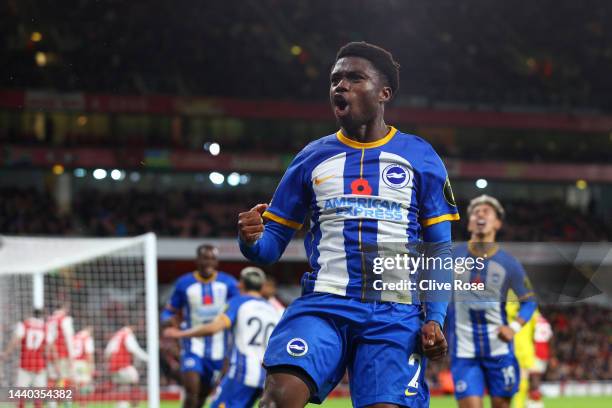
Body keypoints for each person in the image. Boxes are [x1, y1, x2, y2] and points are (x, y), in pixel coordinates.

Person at [238, 41, 460, 407]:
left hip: (393, 314)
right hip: (324, 305)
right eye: (335, 79)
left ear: (384, 93)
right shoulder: (311, 157)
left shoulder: (420, 156)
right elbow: (270, 246)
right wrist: (251, 239)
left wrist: (435, 317)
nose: (340, 86)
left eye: (354, 78)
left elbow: (439, 251)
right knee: (278, 399)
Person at [448, 195, 537, 408]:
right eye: (476, 211)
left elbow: (530, 302)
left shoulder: (510, 264)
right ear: (469, 222)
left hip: (500, 352)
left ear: (497, 223)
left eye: (487, 210)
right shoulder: (450, 257)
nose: (480, 213)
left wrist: (514, 327)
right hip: (463, 352)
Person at [165, 266, 282, 408]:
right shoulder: (273, 310)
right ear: (262, 286)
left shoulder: (238, 302)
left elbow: (214, 327)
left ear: (241, 284)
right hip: (263, 376)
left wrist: (180, 333)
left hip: (241, 373)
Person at [160, 244, 239, 408]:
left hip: (219, 350)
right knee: (191, 391)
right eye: (205, 258)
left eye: (212, 259)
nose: (209, 262)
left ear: (217, 262)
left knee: (203, 395)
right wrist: (166, 321)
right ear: (197, 260)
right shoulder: (184, 283)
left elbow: (239, 309)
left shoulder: (229, 284)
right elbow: (169, 311)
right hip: (192, 347)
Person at [0, 309, 48, 395]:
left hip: (26, 363)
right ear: (41, 315)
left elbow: (15, 340)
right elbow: (49, 345)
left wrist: (6, 353)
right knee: (39, 394)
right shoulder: (45, 327)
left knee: (21, 393)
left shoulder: (25, 324)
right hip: (39, 364)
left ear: (31, 314)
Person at [104, 326, 148, 408]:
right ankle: (135, 405)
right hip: (123, 366)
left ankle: (121, 404)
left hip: (113, 369)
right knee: (135, 382)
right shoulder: (127, 334)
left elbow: (107, 352)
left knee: (122, 388)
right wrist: (148, 358)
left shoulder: (116, 336)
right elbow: (134, 349)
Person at [47, 305, 76, 389]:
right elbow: (68, 338)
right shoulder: (65, 319)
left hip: (50, 353)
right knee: (63, 376)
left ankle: (51, 400)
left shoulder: (50, 319)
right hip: (62, 352)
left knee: (52, 376)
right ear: (63, 309)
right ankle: (64, 398)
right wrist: (71, 356)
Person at [72, 326, 95, 403]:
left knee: (76, 384)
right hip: (82, 363)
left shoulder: (75, 336)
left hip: (73, 362)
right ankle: (82, 403)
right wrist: (91, 366)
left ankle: (71, 402)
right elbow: (89, 354)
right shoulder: (87, 338)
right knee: (84, 384)